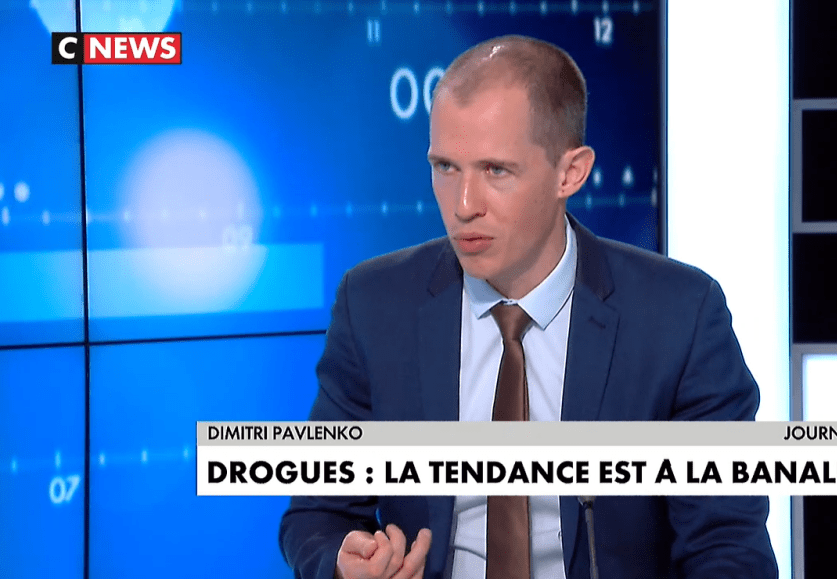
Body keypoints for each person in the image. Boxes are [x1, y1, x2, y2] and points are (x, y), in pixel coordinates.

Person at [280, 35, 777, 579]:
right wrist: (344, 561)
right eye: (445, 167)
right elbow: (317, 514)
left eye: (496, 170)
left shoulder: (680, 317)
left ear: (571, 173)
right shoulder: (375, 305)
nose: (464, 205)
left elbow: (728, 548)